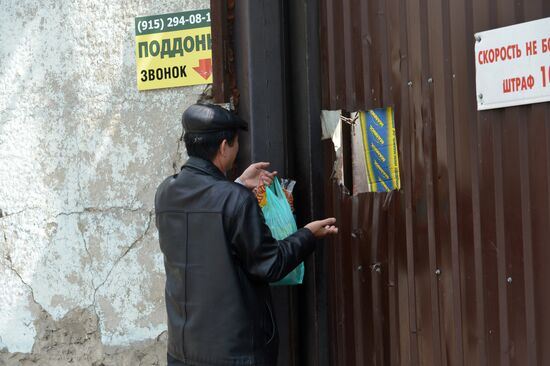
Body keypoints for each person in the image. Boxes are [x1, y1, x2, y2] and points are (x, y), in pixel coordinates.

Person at [155, 103, 338, 366]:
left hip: (182, 351)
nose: (237, 149)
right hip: (235, 353)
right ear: (223, 147)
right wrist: (308, 234)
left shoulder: (165, 193)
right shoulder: (235, 200)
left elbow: (206, 213)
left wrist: (238, 183)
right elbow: (270, 264)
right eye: (235, 143)